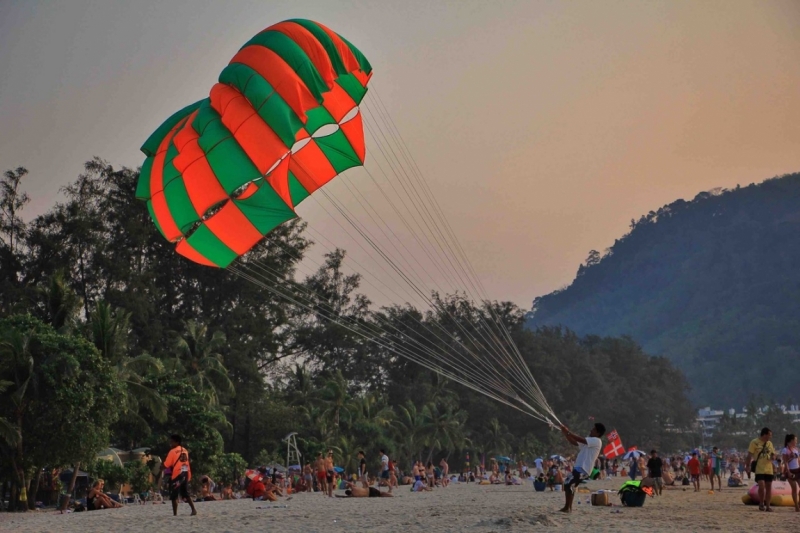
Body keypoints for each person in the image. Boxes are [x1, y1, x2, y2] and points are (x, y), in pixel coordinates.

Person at [558, 422, 605, 513]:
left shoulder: (596, 441)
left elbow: (580, 439)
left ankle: (568, 507)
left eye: (594, 429)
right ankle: (568, 507)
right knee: (569, 484)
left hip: (584, 469)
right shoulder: (590, 441)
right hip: (579, 467)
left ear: (598, 433)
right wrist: (565, 434)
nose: (591, 430)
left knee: (569, 484)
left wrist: (568, 432)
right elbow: (574, 442)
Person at [162, 434, 197, 516]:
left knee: (174, 494)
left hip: (177, 474)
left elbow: (167, 464)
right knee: (185, 492)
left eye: (172, 442)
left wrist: (162, 467)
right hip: (185, 472)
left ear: (177, 442)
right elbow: (185, 462)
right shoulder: (184, 450)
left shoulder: (172, 451)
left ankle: (175, 514)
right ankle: (193, 509)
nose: (170, 444)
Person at [745, 427, 775, 512]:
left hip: (769, 469)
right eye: (769, 435)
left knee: (769, 487)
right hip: (759, 468)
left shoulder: (770, 444)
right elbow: (749, 455)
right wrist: (747, 466)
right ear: (764, 435)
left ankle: (768, 506)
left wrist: (773, 457)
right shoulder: (754, 442)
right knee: (761, 485)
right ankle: (761, 503)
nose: (770, 437)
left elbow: (773, 454)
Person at [782, 433, 800, 512]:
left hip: (798, 469)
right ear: (791, 440)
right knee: (794, 488)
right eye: (795, 440)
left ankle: (799, 503)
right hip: (790, 470)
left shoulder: (796, 449)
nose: (796, 441)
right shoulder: (785, 450)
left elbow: (798, 460)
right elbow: (785, 462)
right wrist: (788, 472)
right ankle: (796, 506)